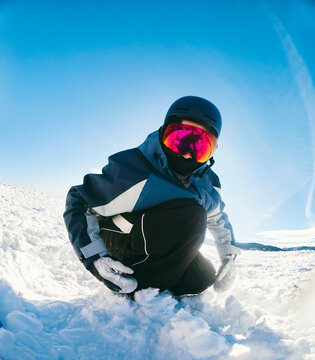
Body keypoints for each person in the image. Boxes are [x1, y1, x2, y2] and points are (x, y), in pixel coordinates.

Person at [63, 96, 240, 296]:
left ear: (212, 152)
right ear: (164, 132)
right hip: (120, 242)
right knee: (191, 215)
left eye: (200, 147)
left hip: (155, 242)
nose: (187, 155)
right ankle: (143, 290)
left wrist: (228, 257)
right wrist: (95, 257)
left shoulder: (208, 183)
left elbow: (218, 218)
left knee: (202, 278)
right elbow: (79, 201)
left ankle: (159, 281)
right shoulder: (134, 169)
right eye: (179, 140)